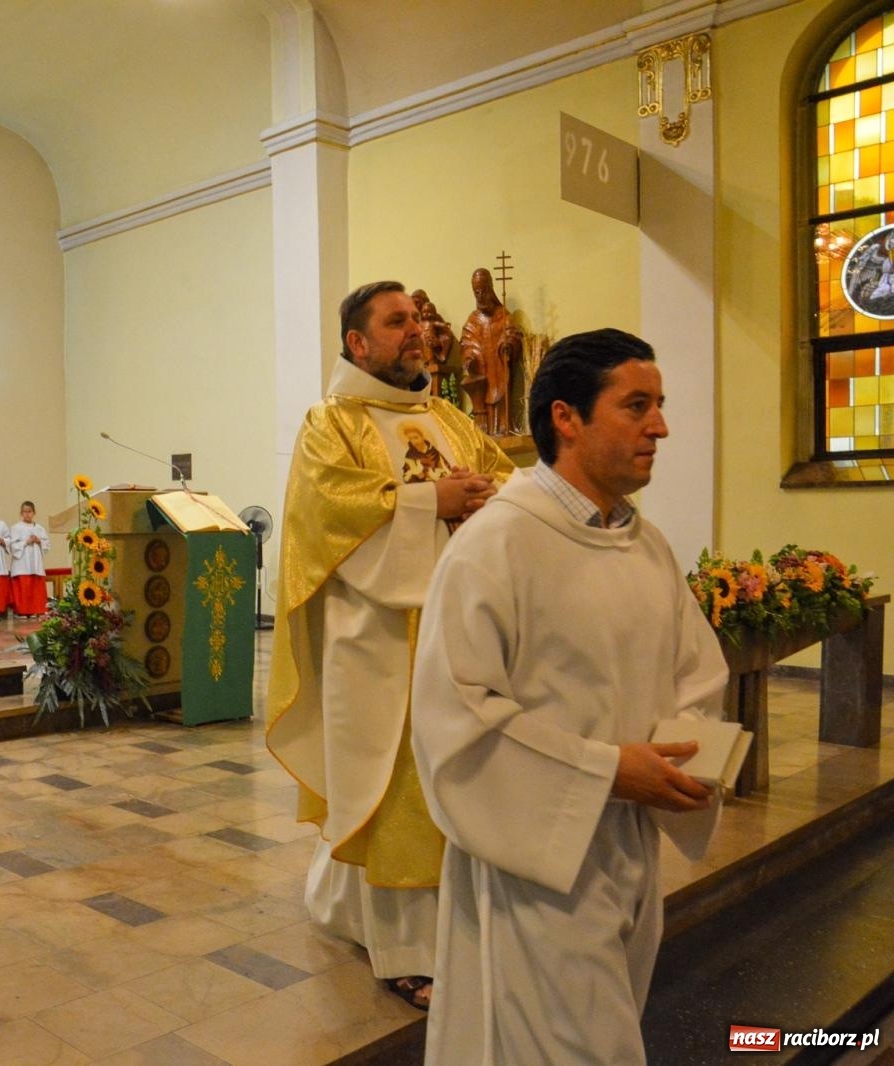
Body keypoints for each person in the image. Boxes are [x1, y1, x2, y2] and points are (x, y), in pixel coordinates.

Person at [411, 328, 729, 1065]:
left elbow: (697, 674)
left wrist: (690, 758)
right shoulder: (495, 546)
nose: (661, 427)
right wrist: (604, 772)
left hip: (630, 851)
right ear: (567, 418)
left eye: (660, 405)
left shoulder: (641, 544)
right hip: (537, 866)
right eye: (637, 406)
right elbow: (455, 719)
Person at [265, 280, 513, 1011]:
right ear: (358, 343)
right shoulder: (330, 424)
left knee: (450, 777)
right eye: (396, 321)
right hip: (375, 640)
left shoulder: (448, 418)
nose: (417, 331)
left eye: (416, 321)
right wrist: (432, 502)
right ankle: (408, 952)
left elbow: (503, 485)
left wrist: (481, 498)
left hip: (458, 631)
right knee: (393, 784)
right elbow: (327, 514)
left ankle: (348, 905)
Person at [459, 268, 521, 436]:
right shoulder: (473, 320)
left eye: (483, 291)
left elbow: (513, 335)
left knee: (501, 400)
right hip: (483, 375)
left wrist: (507, 344)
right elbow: (466, 342)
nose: (480, 295)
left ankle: (502, 427)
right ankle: (485, 429)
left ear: (490, 289)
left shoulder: (503, 315)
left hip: (499, 370)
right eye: (476, 292)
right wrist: (470, 356)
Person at [9, 501, 49, 617]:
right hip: (22, 564)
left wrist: (39, 541)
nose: (27, 514)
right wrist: (27, 541)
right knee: (23, 588)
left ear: (34, 513)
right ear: (21, 513)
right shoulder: (16, 528)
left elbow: (47, 544)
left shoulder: (40, 528)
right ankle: (22, 611)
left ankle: (36, 609)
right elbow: (13, 546)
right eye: (25, 512)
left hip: (35, 564)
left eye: (29, 511)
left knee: (35, 589)